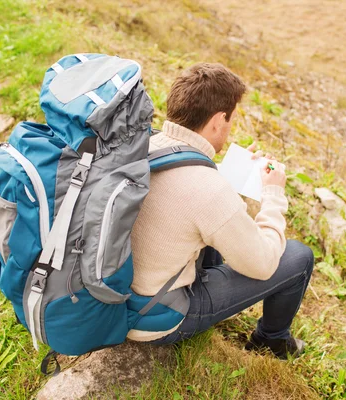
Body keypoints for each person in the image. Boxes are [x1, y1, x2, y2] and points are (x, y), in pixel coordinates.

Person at [128, 63, 315, 359]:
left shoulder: (145, 144)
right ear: (218, 121)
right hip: (154, 318)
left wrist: (229, 174)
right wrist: (274, 195)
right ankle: (271, 340)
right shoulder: (209, 190)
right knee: (298, 257)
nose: (229, 129)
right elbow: (264, 264)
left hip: (115, 297)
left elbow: (182, 193)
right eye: (231, 121)